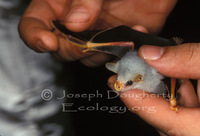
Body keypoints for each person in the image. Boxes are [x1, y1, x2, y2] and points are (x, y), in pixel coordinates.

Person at [19, 0, 200, 135]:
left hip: (159, 60)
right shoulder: (128, 60)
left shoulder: (157, 73)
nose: (120, 85)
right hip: (137, 53)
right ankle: (83, 39)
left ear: (138, 80)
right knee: (96, 45)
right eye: (121, 79)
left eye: (126, 82)